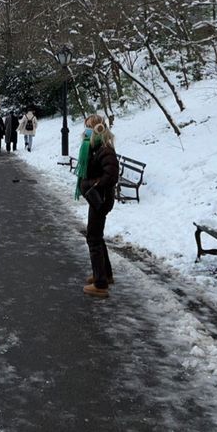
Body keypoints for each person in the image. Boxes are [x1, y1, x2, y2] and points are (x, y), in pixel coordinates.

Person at [75, 114, 119, 299]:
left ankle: (100, 284)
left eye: (88, 126)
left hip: (100, 199)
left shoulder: (104, 149)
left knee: (93, 238)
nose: (85, 130)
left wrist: (92, 185)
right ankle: (105, 275)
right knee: (97, 237)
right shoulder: (94, 147)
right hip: (97, 199)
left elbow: (111, 175)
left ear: (97, 129)